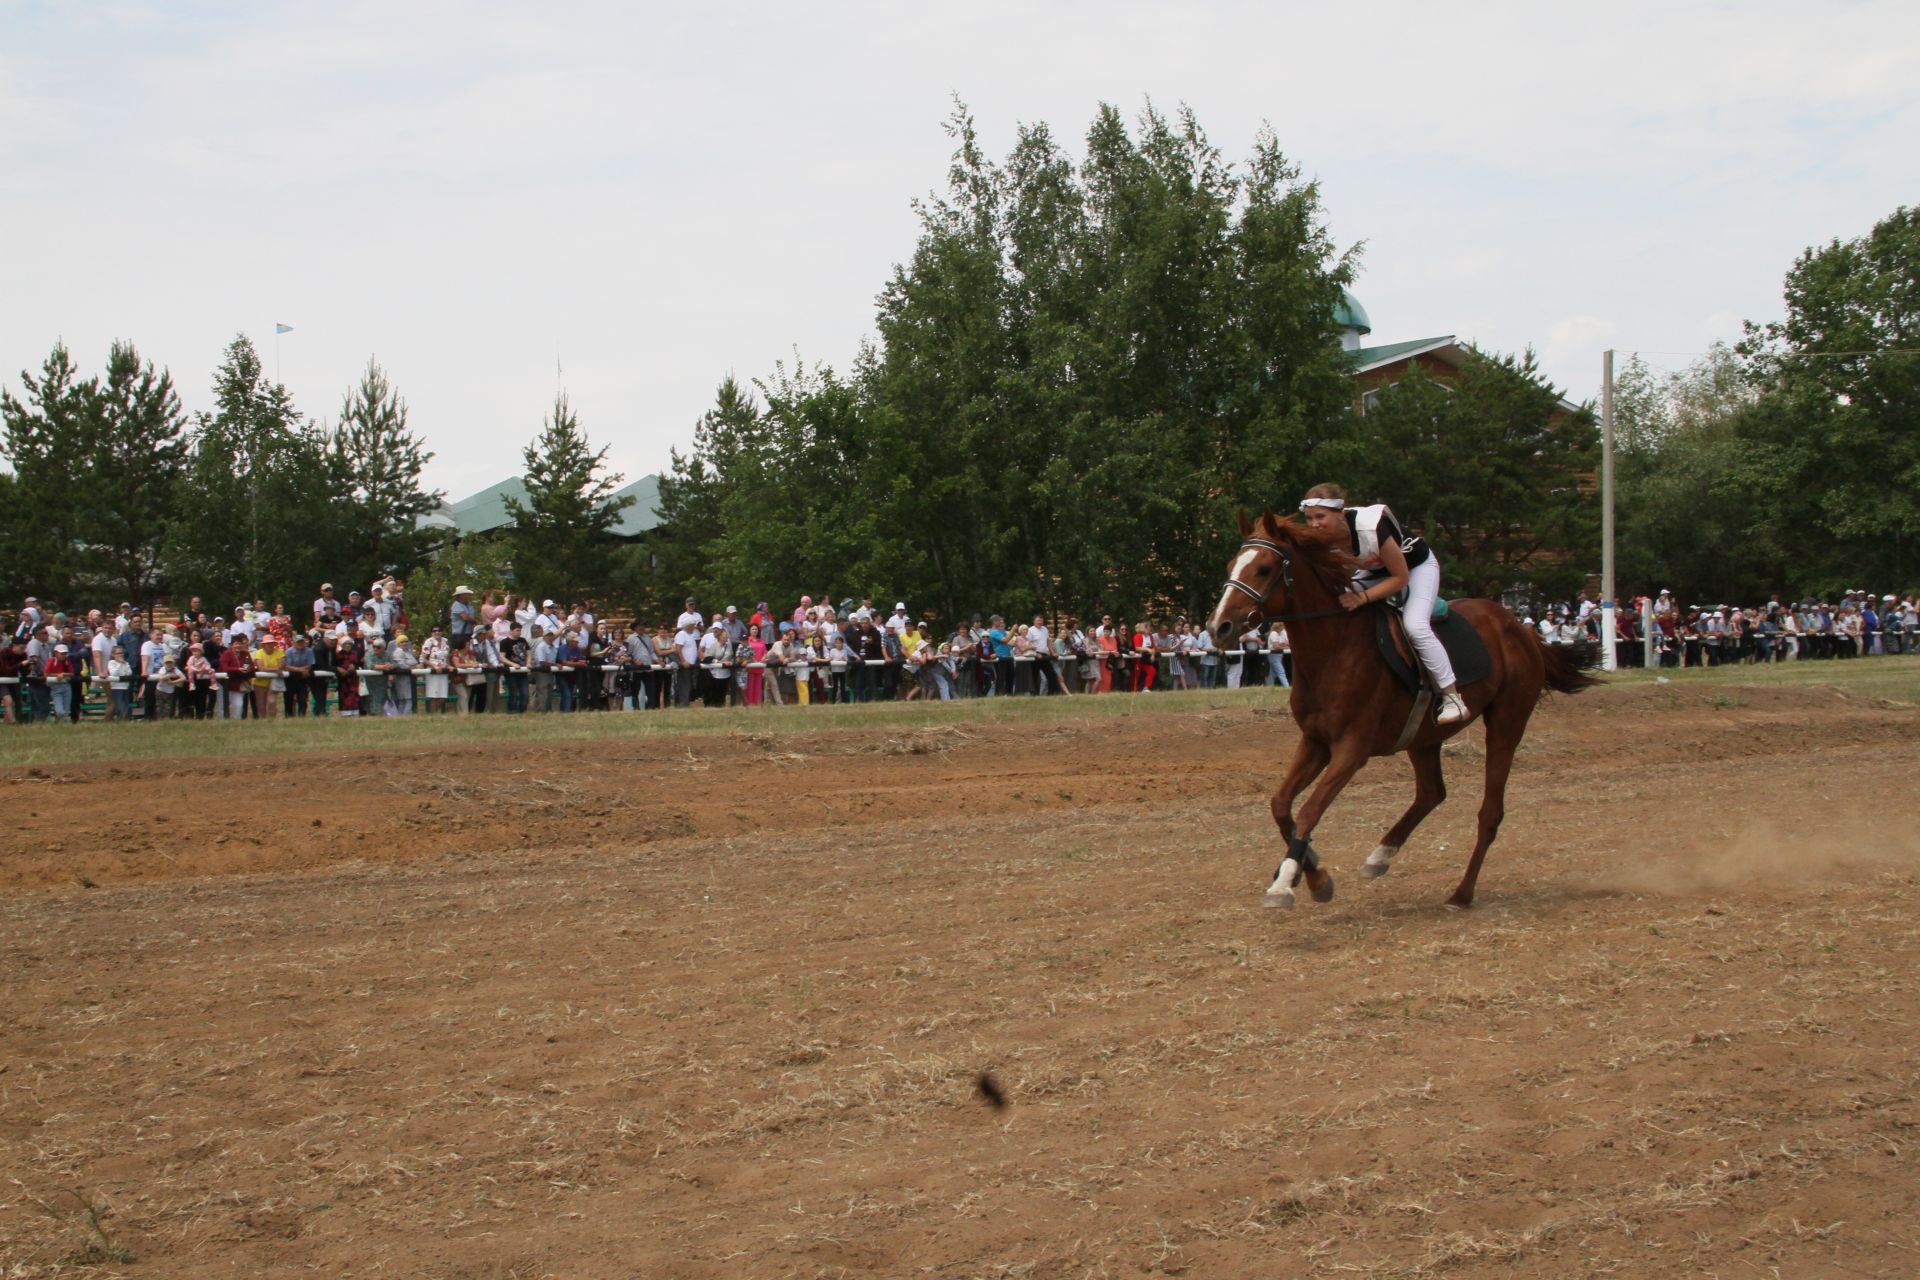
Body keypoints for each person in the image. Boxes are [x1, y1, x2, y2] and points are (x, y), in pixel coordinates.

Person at [1298, 481, 1467, 725]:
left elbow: (1400, 577)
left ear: (1340, 513)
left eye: (1320, 516)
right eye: (1309, 518)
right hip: (1374, 572)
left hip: (1415, 568)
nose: (1314, 524)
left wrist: (1363, 597)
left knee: (1415, 627)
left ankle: (1452, 697)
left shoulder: (1370, 528)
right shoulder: (1319, 541)